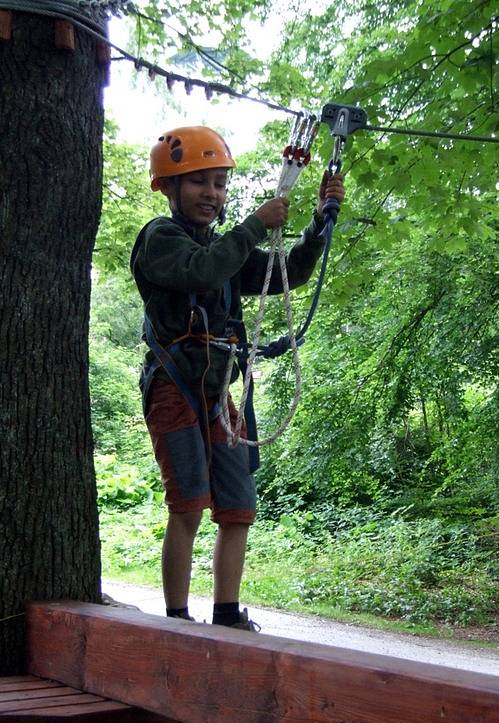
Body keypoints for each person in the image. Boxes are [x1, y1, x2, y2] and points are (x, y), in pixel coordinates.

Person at [130, 125, 345, 630]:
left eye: (219, 184)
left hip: (216, 389)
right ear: (169, 188)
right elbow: (201, 270)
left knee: (237, 502)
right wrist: (251, 225)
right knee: (188, 504)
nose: (212, 194)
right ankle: (178, 619)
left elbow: (286, 271)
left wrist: (318, 225)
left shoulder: (226, 249)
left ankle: (226, 613)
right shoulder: (160, 239)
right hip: (173, 386)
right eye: (199, 183)